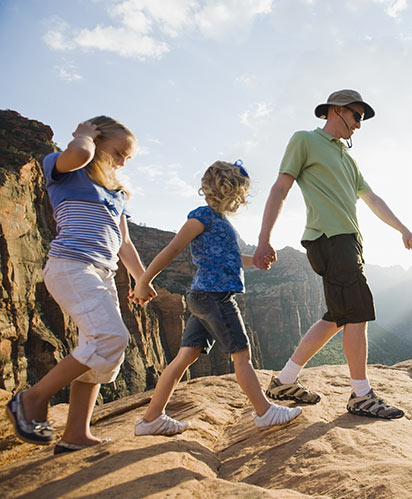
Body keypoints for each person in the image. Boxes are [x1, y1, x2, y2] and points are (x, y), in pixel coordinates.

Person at [253, 89, 412, 419]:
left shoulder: (347, 157)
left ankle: (284, 381)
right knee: (357, 314)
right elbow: (280, 188)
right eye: (357, 116)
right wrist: (263, 239)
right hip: (330, 239)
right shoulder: (304, 140)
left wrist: (403, 229)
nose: (359, 125)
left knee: (337, 316)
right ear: (336, 111)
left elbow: (372, 199)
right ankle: (361, 395)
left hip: (350, 242)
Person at [6, 117, 151, 454]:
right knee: (110, 338)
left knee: (101, 353)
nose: (122, 162)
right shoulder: (66, 169)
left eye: (127, 159)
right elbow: (81, 154)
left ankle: (75, 434)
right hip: (72, 266)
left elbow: (124, 244)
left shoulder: (115, 194)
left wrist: (142, 279)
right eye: (118, 153)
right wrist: (83, 135)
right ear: (97, 140)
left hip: (102, 273)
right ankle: (32, 399)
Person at [132, 160, 302, 435]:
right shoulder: (202, 217)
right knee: (242, 355)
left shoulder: (221, 222)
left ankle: (151, 419)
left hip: (204, 297)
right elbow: (172, 249)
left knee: (185, 357)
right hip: (215, 298)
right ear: (234, 192)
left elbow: (230, 258)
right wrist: (144, 281)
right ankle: (265, 412)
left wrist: (255, 261)